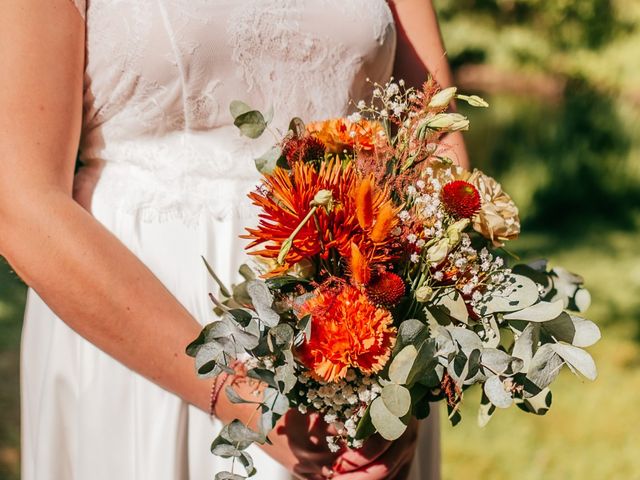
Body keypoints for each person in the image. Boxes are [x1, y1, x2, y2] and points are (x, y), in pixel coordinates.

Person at [0, 0, 468, 478]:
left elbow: (433, 142)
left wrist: (406, 379)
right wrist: (242, 398)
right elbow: (22, 203)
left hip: (362, 331)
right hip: (143, 335)